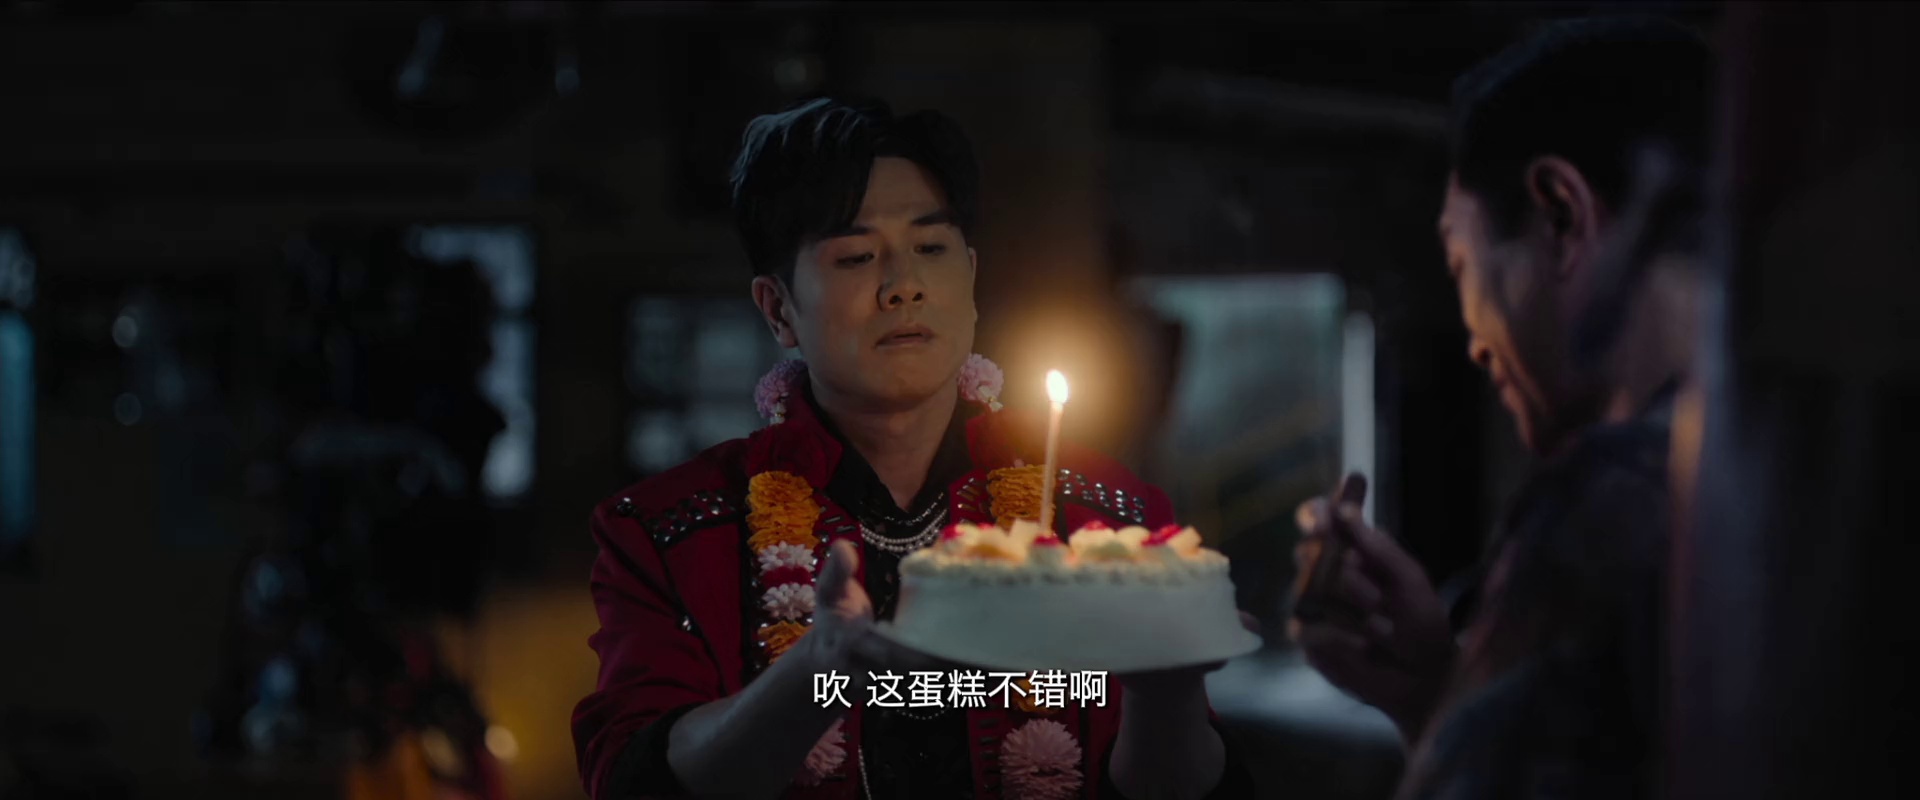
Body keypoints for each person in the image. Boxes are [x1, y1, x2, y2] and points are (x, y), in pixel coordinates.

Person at [572, 98, 1252, 800]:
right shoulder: (669, 534)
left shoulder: (1107, 521)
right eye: (856, 256)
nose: (904, 287)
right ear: (778, 309)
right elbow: (634, 782)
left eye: (931, 248)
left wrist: (1168, 692)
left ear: (971, 276)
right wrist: (816, 673)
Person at [1288, 17, 1711, 799]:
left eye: (1461, 261)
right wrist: (1434, 685)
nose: (1477, 344)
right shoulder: (1810, 470)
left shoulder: (1613, 499)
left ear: (1560, 214)